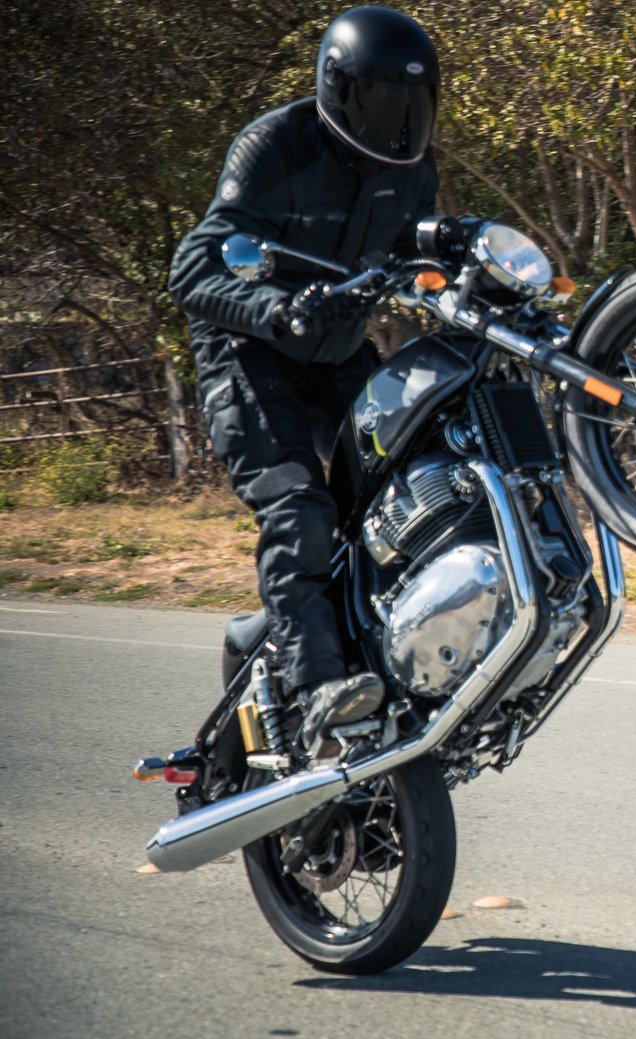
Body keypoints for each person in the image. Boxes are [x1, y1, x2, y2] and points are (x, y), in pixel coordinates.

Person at [168, 6, 439, 754]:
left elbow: (421, 257)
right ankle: (319, 688)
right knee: (299, 506)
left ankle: (395, 655)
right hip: (250, 352)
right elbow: (192, 268)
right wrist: (275, 308)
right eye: (381, 101)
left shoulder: (414, 170)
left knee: (417, 492)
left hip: (338, 351)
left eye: (412, 104)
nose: (397, 122)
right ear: (337, 90)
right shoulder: (275, 147)